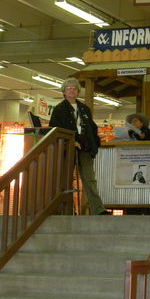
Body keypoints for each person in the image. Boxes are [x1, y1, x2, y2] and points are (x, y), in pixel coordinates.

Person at [49, 78, 108, 215]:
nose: (72, 90)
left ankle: (98, 209)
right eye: (69, 88)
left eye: (74, 88)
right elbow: (56, 129)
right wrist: (70, 141)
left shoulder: (84, 108)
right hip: (67, 150)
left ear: (78, 91)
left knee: (89, 178)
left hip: (85, 148)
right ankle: (66, 209)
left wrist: (95, 142)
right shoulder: (59, 109)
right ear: (64, 91)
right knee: (65, 179)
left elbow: (92, 128)